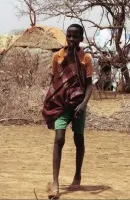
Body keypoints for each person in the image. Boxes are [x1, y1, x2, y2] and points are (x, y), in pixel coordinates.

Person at [42, 24, 93, 198]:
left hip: (78, 104)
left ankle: (77, 175)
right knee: (59, 138)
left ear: (81, 38)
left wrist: (83, 104)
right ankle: (55, 182)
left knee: (79, 138)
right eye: (69, 36)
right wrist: (53, 98)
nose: (71, 39)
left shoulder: (85, 58)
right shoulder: (58, 56)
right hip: (62, 103)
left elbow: (89, 84)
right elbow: (56, 80)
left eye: (75, 36)